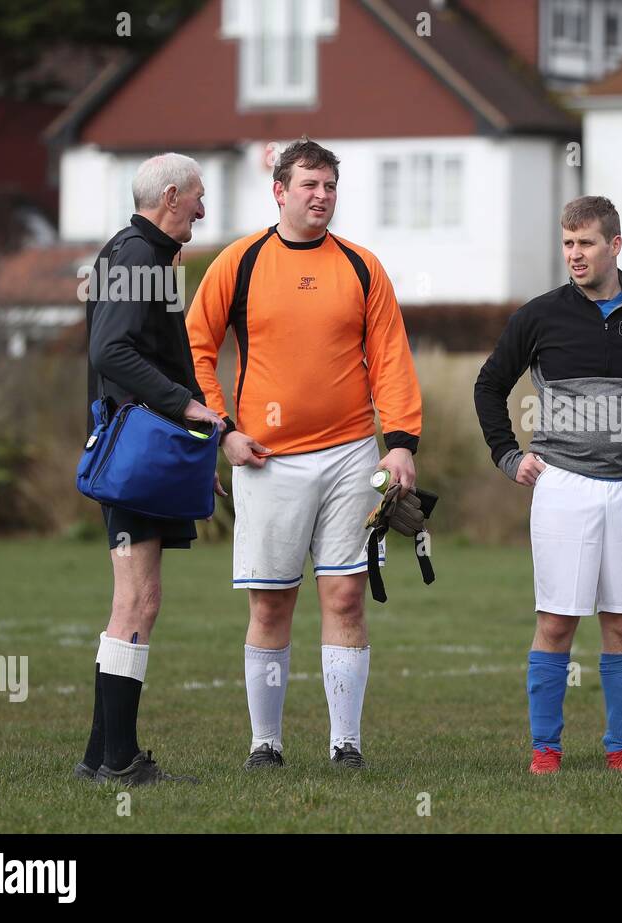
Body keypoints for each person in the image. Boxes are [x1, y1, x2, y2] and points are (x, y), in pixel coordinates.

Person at [186, 139, 421, 771]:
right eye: (310, 185)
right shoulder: (239, 262)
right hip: (265, 458)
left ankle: (347, 745)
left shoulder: (363, 267)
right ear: (280, 191)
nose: (322, 197)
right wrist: (221, 431)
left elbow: (393, 361)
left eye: (330, 186)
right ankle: (266, 745)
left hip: (351, 454)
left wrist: (399, 443)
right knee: (270, 602)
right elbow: (195, 351)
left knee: (345, 598)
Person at [474, 195, 622, 775]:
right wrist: (508, 454)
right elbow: (489, 385)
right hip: (563, 487)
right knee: (556, 621)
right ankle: (545, 752)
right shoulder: (540, 315)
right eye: (567, 244)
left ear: (615, 246)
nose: (574, 255)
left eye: (585, 243)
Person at [78, 152, 224, 786]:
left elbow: (152, 353)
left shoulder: (148, 255)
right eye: (197, 196)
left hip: (153, 451)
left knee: (139, 599)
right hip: (136, 454)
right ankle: (119, 762)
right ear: (171, 195)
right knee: (137, 600)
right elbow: (110, 350)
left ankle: (98, 758)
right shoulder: (137, 256)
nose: (202, 207)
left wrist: (197, 445)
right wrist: (187, 406)